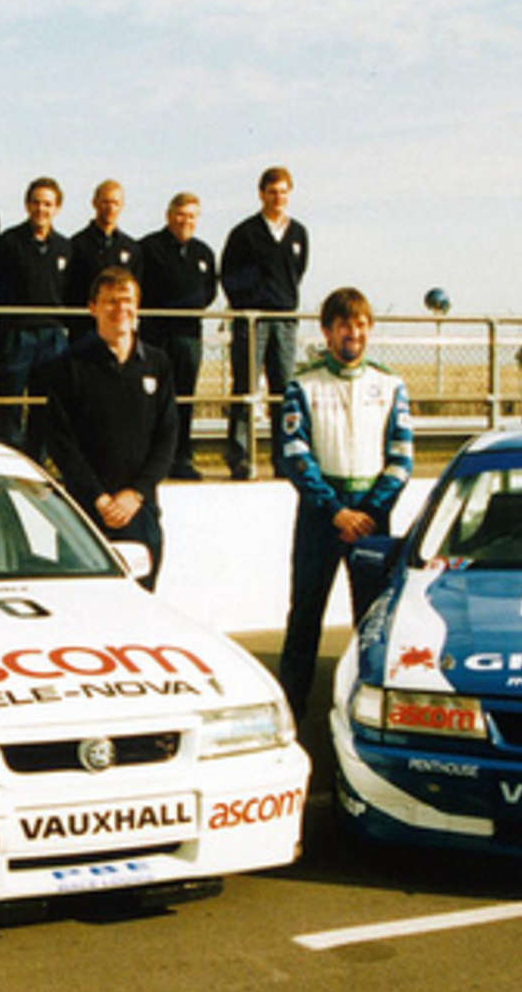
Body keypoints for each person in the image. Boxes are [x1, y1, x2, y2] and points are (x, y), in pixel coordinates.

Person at [275, 287, 413, 720]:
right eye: (344, 325)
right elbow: (294, 455)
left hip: (372, 517)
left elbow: (402, 458)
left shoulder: (390, 385)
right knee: (305, 615)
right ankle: (291, 711)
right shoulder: (303, 384)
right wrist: (335, 510)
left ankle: (367, 710)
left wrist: (369, 512)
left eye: (361, 324)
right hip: (322, 516)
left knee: (372, 621)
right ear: (327, 331)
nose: (353, 333)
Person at [28, 267, 177, 591]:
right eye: (110, 301)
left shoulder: (158, 363)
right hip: (85, 514)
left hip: (139, 512)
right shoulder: (69, 365)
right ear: (92, 307)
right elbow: (61, 441)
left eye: (127, 300)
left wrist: (135, 493)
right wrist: (98, 499)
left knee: (140, 603)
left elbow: (167, 438)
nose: (120, 309)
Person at [220, 166, 309, 479]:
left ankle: (283, 457)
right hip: (252, 321)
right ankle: (241, 456)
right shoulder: (244, 233)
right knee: (246, 387)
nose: (277, 198)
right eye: (272, 192)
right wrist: (250, 304)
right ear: (261, 194)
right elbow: (229, 275)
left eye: (283, 192)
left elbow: (297, 271)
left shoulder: (298, 233)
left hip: (284, 321)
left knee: (283, 390)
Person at [0, 176, 73, 447]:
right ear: (27, 205)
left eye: (47, 204)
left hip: (52, 336)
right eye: (36, 202)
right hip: (16, 334)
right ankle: (7, 459)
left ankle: (38, 461)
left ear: (57, 208)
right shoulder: (8, 242)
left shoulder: (65, 247)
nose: (41, 209)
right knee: (8, 403)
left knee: (45, 405)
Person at [136, 192, 218, 481]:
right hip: (156, 337)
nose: (186, 221)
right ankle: (148, 460)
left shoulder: (203, 253)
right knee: (152, 399)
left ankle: (181, 458)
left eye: (192, 216)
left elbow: (209, 291)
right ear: (169, 216)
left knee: (184, 399)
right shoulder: (148, 248)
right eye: (181, 215)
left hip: (189, 336)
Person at [65, 179, 143, 339]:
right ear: (95, 203)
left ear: (122, 206)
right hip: (84, 328)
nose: (110, 208)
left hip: (119, 327)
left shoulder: (131, 248)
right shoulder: (76, 244)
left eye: (115, 203)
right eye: (106, 202)